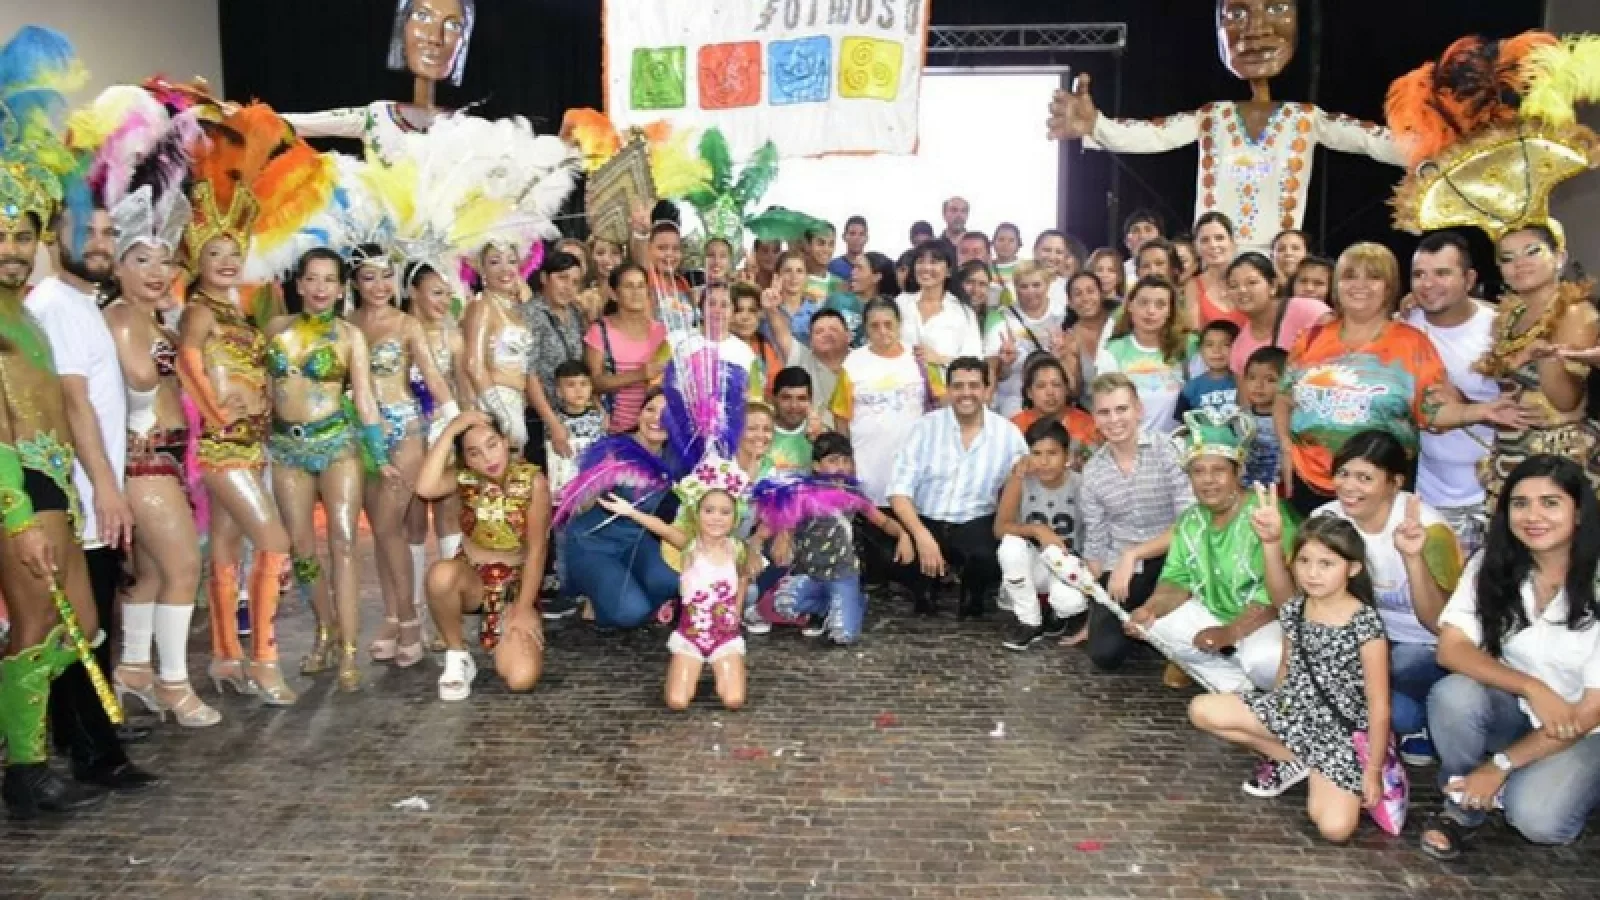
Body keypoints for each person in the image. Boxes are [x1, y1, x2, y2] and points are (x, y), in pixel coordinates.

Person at [0, 36, 158, 815]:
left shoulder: (36, 316)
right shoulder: (31, 314)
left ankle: (50, 743)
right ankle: (37, 769)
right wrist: (22, 512)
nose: (12, 249)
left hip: (62, 486)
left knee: (84, 627)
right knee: (43, 626)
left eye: (21, 236)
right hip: (29, 490)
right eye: (2, 236)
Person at [1047, 0, 1401, 255]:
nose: (1257, 29)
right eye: (1236, 15)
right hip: (1215, 261)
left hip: (1278, 267)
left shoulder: (1305, 118)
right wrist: (1096, 125)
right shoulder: (1213, 117)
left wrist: (1429, 147)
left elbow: (1370, 141)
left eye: (1276, 9)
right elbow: (1155, 136)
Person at [1419, 455, 1600, 860]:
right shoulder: (1492, 564)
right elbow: (1451, 648)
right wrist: (1530, 687)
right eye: (1520, 503)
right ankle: (1461, 808)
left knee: (1538, 821)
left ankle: (1512, 780)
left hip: (1587, 729)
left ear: (1579, 513)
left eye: (1550, 503)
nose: (1533, 516)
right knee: (1454, 695)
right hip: (1520, 710)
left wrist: (1499, 764)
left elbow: (1590, 712)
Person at [1188, 516, 1394, 843]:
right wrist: (1276, 709)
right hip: (1292, 711)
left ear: (1353, 569)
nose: (1312, 573)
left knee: (1334, 828)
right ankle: (1294, 759)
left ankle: (1315, 766)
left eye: (1326, 564)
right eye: (1304, 561)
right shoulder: (1295, 609)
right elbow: (1287, 664)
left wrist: (1373, 771)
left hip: (1337, 734)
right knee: (1202, 710)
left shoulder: (1365, 623)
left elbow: (1379, 704)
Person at [1276, 243, 1519, 519]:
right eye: (1350, 276)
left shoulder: (1412, 341)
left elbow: (1432, 410)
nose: (1359, 285)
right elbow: (1284, 399)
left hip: (1380, 490)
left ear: (1390, 287)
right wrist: (1285, 447)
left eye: (1373, 277)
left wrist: (1481, 411)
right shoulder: (1311, 337)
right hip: (1307, 484)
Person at [102, 180, 216, 728]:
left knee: (147, 575)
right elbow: (140, 381)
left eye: (164, 260)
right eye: (141, 259)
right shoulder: (123, 318)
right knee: (183, 567)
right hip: (144, 460)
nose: (156, 271)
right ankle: (173, 683)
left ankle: (133, 670)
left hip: (165, 458)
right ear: (118, 264)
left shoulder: (150, 319)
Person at [265, 249, 397, 694]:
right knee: (302, 548)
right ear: (299, 284)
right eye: (312, 278)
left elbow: (364, 399)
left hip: (338, 445)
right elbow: (265, 392)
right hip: (286, 449)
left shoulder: (350, 336)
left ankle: (350, 650)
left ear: (341, 289)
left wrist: (379, 456)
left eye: (329, 280)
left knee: (343, 543)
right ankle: (325, 628)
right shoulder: (275, 330)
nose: (320, 288)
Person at [1315, 430, 1464, 766]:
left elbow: (1441, 624)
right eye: (1343, 474)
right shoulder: (1326, 521)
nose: (1348, 487)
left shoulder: (1429, 528)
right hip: (1363, 641)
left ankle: (1422, 719)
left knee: (1402, 662)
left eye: (1364, 478)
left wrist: (1413, 557)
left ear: (1395, 483)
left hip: (1421, 648)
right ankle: (1407, 723)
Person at [1126, 410, 1295, 693]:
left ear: (1237, 472)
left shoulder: (1266, 514)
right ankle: (1234, 682)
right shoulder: (1191, 520)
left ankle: (1229, 672)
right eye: (1198, 471)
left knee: (1265, 661)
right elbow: (1176, 581)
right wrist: (1149, 609)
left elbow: (1280, 598)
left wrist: (1232, 632)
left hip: (1266, 623)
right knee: (1153, 626)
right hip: (1214, 617)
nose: (1208, 480)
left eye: (1218, 470)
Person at [349, 246, 455, 673]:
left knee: (389, 526)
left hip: (405, 433)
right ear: (355, 282)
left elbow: (433, 378)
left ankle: (410, 620)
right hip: (360, 436)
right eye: (369, 277)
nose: (379, 286)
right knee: (381, 530)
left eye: (386, 276)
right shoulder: (346, 325)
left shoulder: (407, 325)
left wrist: (456, 422)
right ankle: (394, 616)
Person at [415, 412, 550, 701]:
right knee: (440, 575)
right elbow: (425, 488)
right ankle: (457, 655)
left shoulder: (533, 481)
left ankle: (505, 629)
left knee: (521, 678)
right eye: (474, 453)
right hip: (472, 578)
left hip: (513, 587)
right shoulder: (464, 477)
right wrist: (451, 430)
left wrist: (524, 607)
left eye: (492, 444)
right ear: (466, 459)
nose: (488, 458)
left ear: (505, 441)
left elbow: (538, 549)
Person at [599, 458, 750, 711]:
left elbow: (743, 576)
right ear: (696, 514)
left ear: (735, 517)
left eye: (725, 512)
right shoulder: (690, 546)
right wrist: (631, 512)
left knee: (733, 700)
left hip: (725, 637)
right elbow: (663, 529)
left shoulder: (737, 549)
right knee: (677, 702)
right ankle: (689, 669)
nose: (716, 518)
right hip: (691, 636)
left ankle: (724, 670)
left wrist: (737, 607)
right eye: (709, 510)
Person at [889, 359, 1027, 617]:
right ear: (948, 389)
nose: (966, 393)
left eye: (974, 385)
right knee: (896, 554)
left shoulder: (1008, 434)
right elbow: (898, 491)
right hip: (926, 518)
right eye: (958, 386)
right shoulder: (924, 428)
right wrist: (920, 535)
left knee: (988, 555)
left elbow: (1024, 482)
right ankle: (924, 587)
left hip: (976, 521)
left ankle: (974, 591)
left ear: (987, 389)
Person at [1474, 225, 1600, 509]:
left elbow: (1565, 401)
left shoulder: (1573, 312)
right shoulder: (1509, 315)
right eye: (1507, 258)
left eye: (1532, 252)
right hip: (1510, 452)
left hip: (1558, 459)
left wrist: (1546, 356)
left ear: (1559, 257)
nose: (1519, 264)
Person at [1079, 374, 1195, 670]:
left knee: (1177, 636)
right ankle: (1143, 626)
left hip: (1172, 558)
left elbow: (1189, 524)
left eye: (1122, 409)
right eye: (1104, 412)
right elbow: (1096, 542)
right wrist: (1095, 603)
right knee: (1104, 654)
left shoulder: (1169, 451)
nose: (1114, 420)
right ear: (1095, 418)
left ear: (1138, 410)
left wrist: (1134, 554)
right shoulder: (1093, 472)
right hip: (1121, 569)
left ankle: (1161, 624)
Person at [770, 433, 914, 645]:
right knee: (783, 604)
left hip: (842, 573)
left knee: (842, 636)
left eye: (846, 461)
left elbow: (883, 521)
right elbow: (788, 522)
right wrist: (783, 538)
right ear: (816, 466)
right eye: (833, 461)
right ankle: (829, 606)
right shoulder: (803, 494)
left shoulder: (853, 495)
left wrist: (903, 534)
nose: (841, 467)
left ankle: (852, 602)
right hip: (809, 572)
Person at [1405, 231, 1497, 557]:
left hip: (1491, 491)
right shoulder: (1404, 327)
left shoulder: (1499, 331)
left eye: (1442, 273)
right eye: (1419, 274)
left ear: (1469, 279)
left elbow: (1531, 413)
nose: (1428, 284)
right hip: (1426, 492)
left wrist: (1465, 405)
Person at [557, 391, 680, 628]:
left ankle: (619, 591)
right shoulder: (612, 450)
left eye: (668, 414)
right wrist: (597, 481)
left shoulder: (674, 456)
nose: (657, 418)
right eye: (650, 409)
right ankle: (598, 602)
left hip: (636, 541)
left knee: (670, 582)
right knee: (630, 613)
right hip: (592, 544)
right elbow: (577, 507)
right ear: (639, 414)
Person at [405, 262, 467, 650]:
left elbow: (463, 385)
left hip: (445, 430)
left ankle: (449, 617)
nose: (443, 301)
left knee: (448, 517)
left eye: (447, 293)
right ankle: (412, 616)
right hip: (408, 434)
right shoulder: (399, 330)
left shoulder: (453, 337)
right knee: (412, 523)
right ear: (414, 291)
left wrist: (466, 429)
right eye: (436, 292)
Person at [997, 419, 1087, 650]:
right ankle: (1030, 621)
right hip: (1033, 563)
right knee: (1010, 545)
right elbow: (1000, 528)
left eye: (1052, 453)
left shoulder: (1082, 485)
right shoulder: (1020, 480)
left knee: (1069, 603)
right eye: (1036, 453)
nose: (1044, 462)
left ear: (1066, 455)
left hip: (1068, 563)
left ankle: (1056, 612)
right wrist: (1037, 529)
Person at [1096, 276, 1196, 434]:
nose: (1151, 311)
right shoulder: (1113, 351)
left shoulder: (1187, 347)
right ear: (1130, 305)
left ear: (1170, 311)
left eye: (1160, 305)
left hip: (1178, 443)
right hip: (1130, 442)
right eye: (1143, 303)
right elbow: (1106, 406)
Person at [462, 241, 534, 450]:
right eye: (495, 262)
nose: (505, 269)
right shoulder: (482, 306)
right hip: (495, 400)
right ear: (481, 268)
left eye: (511, 261)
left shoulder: (515, 307)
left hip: (517, 401)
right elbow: (473, 364)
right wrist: (500, 413)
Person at [585, 263, 667, 434]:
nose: (636, 292)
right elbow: (593, 383)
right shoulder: (600, 331)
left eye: (641, 286)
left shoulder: (662, 332)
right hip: (615, 430)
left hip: (654, 429)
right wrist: (640, 374)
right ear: (614, 294)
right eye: (629, 286)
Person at [525, 250, 589, 468]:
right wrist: (552, 422)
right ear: (544, 278)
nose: (568, 287)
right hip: (541, 416)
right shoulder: (531, 314)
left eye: (575, 282)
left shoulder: (575, 313)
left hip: (572, 411)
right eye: (562, 278)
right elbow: (529, 373)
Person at [896, 241, 981, 398]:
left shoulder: (963, 313)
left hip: (946, 396)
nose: (926, 267)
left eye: (934, 262)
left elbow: (974, 362)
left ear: (948, 271)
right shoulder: (900, 304)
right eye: (920, 261)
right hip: (900, 391)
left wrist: (939, 359)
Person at [1226, 252, 1329, 378]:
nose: (1242, 290)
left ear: (1273, 286)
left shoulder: (1308, 310)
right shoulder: (1239, 348)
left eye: (1252, 282)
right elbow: (1245, 391)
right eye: (1233, 286)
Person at [986, 261, 1063, 417]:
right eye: (1023, 286)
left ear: (1047, 285)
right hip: (1013, 399)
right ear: (1015, 288)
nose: (1030, 292)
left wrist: (1060, 358)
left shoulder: (1063, 315)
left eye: (1036, 285)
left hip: (1053, 397)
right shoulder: (1000, 316)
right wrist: (1005, 364)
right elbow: (993, 373)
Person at [1010, 355, 1099, 469]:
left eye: (1056, 384)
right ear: (1029, 393)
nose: (1050, 392)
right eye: (1041, 386)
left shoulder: (1088, 424)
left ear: (1066, 389)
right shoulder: (1014, 428)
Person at [767, 304, 850, 426]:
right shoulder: (802, 357)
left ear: (848, 336)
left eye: (833, 330)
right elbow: (781, 334)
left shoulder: (863, 361)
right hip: (813, 434)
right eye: (819, 331)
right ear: (810, 340)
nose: (826, 334)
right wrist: (771, 308)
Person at [543, 360, 606, 500]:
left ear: (591, 387)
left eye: (583, 384)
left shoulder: (598, 418)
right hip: (561, 488)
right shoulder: (554, 422)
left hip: (590, 489)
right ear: (559, 392)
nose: (579, 390)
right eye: (571, 385)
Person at [1059, 271, 1112, 404]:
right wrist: (1062, 359)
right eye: (1078, 294)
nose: (1085, 298)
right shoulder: (1069, 338)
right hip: (1092, 410)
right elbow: (1074, 392)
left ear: (1101, 295)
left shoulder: (1120, 323)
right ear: (1070, 302)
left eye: (1090, 291)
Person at [1185, 212, 1245, 329]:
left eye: (1219, 238)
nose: (1213, 245)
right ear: (1196, 247)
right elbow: (1194, 333)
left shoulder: (1249, 280)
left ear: (1232, 242)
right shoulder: (1193, 286)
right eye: (1205, 240)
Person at [1241, 347, 1287, 488]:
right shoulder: (1241, 417)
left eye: (1270, 380)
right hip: (1247, 488)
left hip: (1279, 489)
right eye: (1252, 378)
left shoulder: (1289, 421)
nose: (1259, 385)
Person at [1175, 320, 1239, 421]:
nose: (1216, 350)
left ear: (1238, 347)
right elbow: (1183, 422)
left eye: (1226, 344)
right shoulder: (1191, 388)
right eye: (1209, 344)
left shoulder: (1242, 383)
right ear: (1201, 350)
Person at [769, 367, 818, 476]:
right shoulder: (758, 433)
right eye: (786, 398)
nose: (794, 406)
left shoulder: (821, 436)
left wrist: (817, 443)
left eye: (801, 398)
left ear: (810, 400)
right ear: (773, 399)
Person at [838, 251, 895, 342]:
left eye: (859, 268)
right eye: (854, 267)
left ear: (876, 277)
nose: (853, 272)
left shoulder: (889, 309)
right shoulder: (838, 301)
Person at [1122, 210, 1165, 284]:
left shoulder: (1172, 267)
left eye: (1148, 230)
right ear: (1127, 241)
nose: (1142, 236)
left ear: (1161, 237)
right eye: (1135, 231)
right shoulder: (1120, 273)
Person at [829, 215, 868, 281]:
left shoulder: (873, 266)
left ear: (866, 238)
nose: (856, 238)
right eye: (852, 234)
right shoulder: (832, 266)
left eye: (861, 234)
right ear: (844, 236)